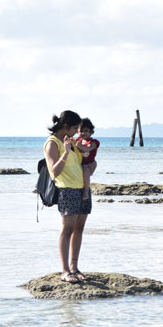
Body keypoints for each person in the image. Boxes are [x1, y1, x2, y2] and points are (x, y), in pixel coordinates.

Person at [43, 110, 95, 283]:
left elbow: (82, 163)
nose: (77, 131)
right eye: (74, 128)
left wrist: (92, 164)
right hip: (67, 189)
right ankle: (65, 271)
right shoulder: (52, 143)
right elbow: (55, 172)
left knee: (79, 229)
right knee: (67, 230)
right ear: (66, 127)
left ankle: (74, 268)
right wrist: (65, 152)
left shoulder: (72, 141)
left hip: (82, 189)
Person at [74, 118, 99, 201]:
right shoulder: (77, 140)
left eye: (86, 131)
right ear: (77, 132)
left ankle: (85, 192)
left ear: (91, 132)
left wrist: (80, 146)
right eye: (81, 131)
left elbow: (88, 149)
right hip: (81, 163)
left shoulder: (94, 142)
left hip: (89, 164)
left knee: (86, 174)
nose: (83, 133)